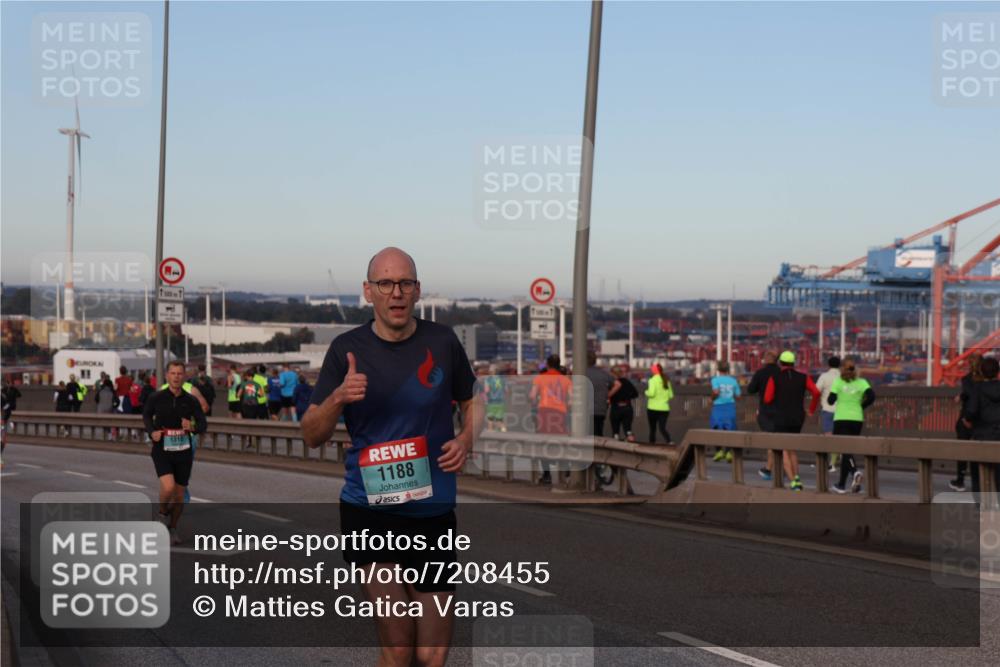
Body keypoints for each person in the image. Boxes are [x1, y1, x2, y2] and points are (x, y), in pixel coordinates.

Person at [301, 247, 481, 667]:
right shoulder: (346, 349)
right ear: (369, 292)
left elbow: (472, 400)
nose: (395, 293)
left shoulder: (443, 341)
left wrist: (467, 438)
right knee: (399, 645)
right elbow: (311, 434)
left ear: (417, 290)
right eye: (385, 283)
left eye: (404, 283)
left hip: (432, 511)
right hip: (370, 510)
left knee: (432, 655)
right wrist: (338, 398)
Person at [143, 361, 207, 545]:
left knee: (179, 496)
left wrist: (192, 426)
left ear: (184, 376)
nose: (176, 376)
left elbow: (203, 424)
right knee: (168, 487)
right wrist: (151, 431)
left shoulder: (190, 400)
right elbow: (146, 415)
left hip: (183, 451)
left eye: (180, 373)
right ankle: (163, 513)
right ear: (167, 375)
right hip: (162, 448)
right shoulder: (157, 397)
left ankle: (172, 528)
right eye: (173, 373)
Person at [760, 351, 821, 491]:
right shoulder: (803, 377)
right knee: (792, 448)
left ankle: (794, 482)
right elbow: (816, 392)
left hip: (781, 416)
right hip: (798, 417)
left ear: (780, 363)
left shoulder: (774, 378)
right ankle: (797, 476)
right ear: (794, 363)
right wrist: (811, 409)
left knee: (783, 450)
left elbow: (767, 399)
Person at [828, 358, 875, 494]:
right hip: (856, 419)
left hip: (841, 418)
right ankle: (841, 484)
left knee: (843, 449)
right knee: (848, 450)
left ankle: (855, 472)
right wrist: (861, 406)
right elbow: (871, 396)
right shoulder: (862, 382)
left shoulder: (838, 382)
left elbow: (830, 401)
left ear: (842, 369)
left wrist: (837, 396)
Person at [530, 354, 573, 484]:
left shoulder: (540, 378)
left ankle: (547, 474)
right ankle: (565, 469)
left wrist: (534, 405)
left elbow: (532, 396)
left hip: (544, 412)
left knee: (544, 443)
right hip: (560, 413)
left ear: (547, 364)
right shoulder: (566, 380)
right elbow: (571, 400)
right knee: (562, 442)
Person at [963, 356, 1000, 499]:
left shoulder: (977, 389)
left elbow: (971, 411)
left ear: (982, 372)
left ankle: (982, 509)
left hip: (982, 436)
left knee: (978, 475)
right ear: (998, 372)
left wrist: (967, 420)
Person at [950, 353, 983, 492]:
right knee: (979, 452)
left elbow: (971, 396)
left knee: (962, 450)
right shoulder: (987, 381)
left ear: (969, 364)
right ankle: (980, 482)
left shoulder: (966, 380)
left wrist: (966, 418)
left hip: (967, 419)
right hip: (982, 421)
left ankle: (960, 480)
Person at [747, 351, 779, 480]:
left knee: (770, 440)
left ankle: (769, 468)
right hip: (782, 411)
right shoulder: (781, 373)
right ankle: (776, 466)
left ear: (766, 359)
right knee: (781, 439)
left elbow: (750, 390)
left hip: (766, 411)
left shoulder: (760, 373)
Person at [815, 356, 842, 472]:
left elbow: (816, 390)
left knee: (829, 436)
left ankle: (830, 463)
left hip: (827, 409)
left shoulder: (824, 376)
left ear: (829, 365)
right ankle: (834, 460)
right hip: (842, 410)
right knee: (838, 436)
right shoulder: (843, 377)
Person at [710, 360, 741, 462]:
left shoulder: (715, 380)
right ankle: (728, 452)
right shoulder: (733, 381)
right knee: (730, 429)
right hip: (730, 407)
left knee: (715, 428)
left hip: (718, 407)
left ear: (718, 369)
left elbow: (716, 392)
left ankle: (719, 451)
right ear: (728, 369)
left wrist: (712, 398)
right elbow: (738, 396)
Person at [584, 350, 613, 437]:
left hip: (585, 409)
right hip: (600, 408)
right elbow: (618, 384)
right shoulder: (603, 373)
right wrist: (607, 394)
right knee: (598, 432)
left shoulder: (580, 373)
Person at [644, 363, 673, 444]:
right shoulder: (666, 380)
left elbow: (651, 393)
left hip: (652, 408)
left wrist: (646, 392)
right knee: (662, 428)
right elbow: (671, 395)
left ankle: (651, 445)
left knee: (653, 429)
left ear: (654, 371)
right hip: (664, 409)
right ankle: (669, 441)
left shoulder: (652, 380)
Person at [607, 366, 638, 441]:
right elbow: (635, 394)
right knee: (628, 430)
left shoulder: (612, 383)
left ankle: (615, 448)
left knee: (615, 431)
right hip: (627, 407)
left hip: (616, 408)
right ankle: (632, 445)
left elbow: (607, 395)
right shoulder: (627, 382)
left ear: (612, 374)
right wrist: (626, 396)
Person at [482, 366, 508, 433]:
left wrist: (483, 396)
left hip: (491, 401)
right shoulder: (503, 379)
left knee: (490, 417)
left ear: (491, 371)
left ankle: (490, 430)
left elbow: (486, 390)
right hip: (501, 401)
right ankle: (503, 429)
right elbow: (506, 390)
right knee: (499, 418)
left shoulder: (488, 379)